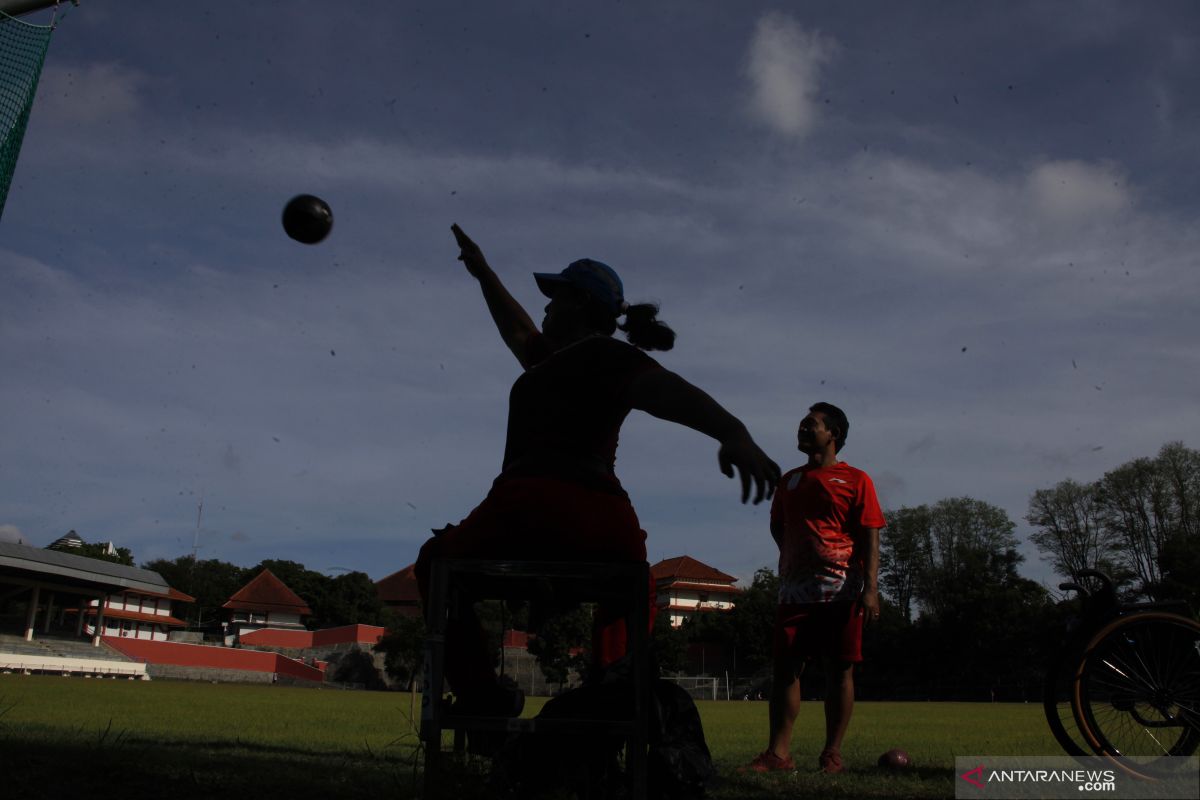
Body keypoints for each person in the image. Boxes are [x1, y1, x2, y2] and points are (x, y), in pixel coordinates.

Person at [415, 223, 780, 719]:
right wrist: (483, 272)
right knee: (631, 581)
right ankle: (609, 704)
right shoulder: (560, 360)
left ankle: (485, 703)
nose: (544, 307)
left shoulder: (606, 356)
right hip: (597, 517)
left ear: (582, 304)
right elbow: (520, 329)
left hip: (528, 507)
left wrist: (733, 431)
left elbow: (668, 391)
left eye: (555, 297)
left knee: (437, 562)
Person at [746, 402, 885, 775]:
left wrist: (870, 588)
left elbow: (870, 534)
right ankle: (778, 754)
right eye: (802, 425)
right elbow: (779, 526)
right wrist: (795, 560)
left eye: (811, 425)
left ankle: (832, 754)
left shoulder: (857, 480)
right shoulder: (788, 480)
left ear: (833, 434)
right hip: (795, 592)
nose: (802, 430)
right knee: (786, 670)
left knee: (839, 670)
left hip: (842, 589)